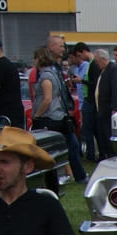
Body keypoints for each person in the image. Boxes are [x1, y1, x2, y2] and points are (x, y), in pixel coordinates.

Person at [33, 41, 85, 182]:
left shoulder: (46, 77)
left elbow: (47, 98)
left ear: (40, 58)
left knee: (49, 149)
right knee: (70, 145)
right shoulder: (54, 73)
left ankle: (56, 177)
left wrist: (37, 115)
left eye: (35, 58)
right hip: (60, 115)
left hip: (50, 117)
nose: (34, 61)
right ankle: (77, 175)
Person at [91, 48, 117, 160]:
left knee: (108, 134)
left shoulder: (112, 69)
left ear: (103, 59)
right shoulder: (103, 70)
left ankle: (111, 155)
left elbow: (116, 89)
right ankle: (106, 154)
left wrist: (115, 107)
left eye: (97, 61)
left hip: (108, 109)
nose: (96, 63)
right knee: (103, 134)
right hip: (102, 109)